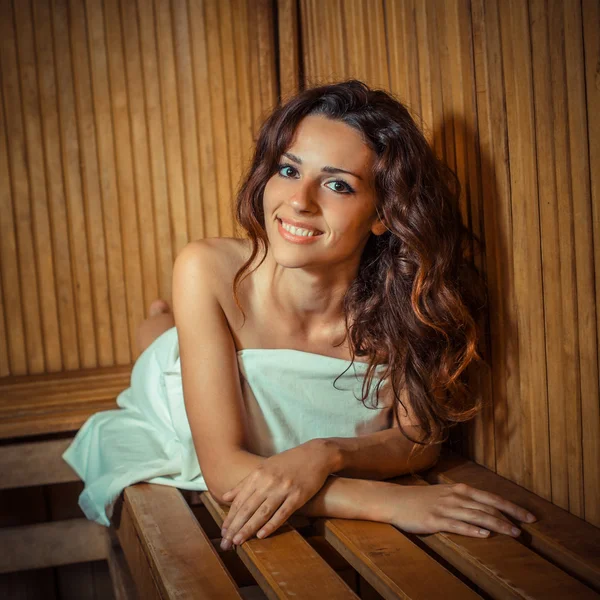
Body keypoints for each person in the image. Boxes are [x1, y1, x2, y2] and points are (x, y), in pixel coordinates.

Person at [64, 80, 536, 552]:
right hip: (179, 405)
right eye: (289, 170)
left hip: (284, 408)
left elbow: (419, 439)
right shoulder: (205, 267)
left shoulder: (408, 300)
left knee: (169, 334)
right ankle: (161, 325)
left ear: (383, 215)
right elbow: (226, 471)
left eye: (337, 184)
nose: (300, 200)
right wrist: (389, 503)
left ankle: (164, 323)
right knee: (159, 352)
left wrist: (324, 453)